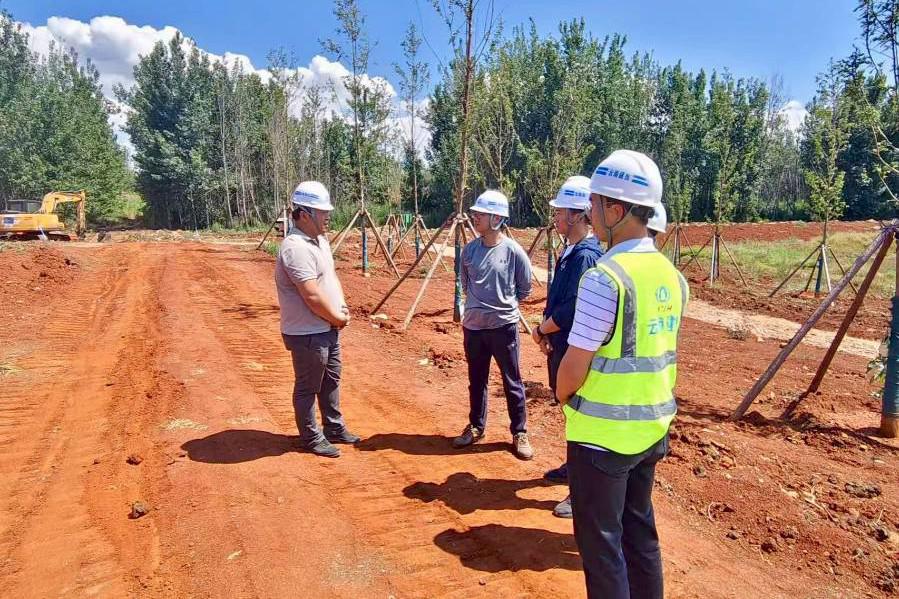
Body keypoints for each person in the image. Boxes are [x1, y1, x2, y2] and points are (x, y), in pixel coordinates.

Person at [555, 150, 689, 599]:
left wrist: (562, 393)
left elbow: (575, 365)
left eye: (593, 204)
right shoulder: (672, 276)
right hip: (650, 431)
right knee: (639, 535)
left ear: (615, 210)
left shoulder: (604, 278)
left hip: (601, 438)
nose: (589, 213)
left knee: (602, 548)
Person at [530, 176, 603, 518]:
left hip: (576, 350)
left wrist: (542, 329)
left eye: (560, 212)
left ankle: (581, 491)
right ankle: (574, 468)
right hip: (561, 343)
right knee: (570, 414)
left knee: (581, 418)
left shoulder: (585, 256)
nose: (556, 217)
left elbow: (573, 308)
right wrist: (548, 333)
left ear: (577, 215)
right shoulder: (571, 251)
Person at [275, 181, 360, 458]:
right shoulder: (295, 248)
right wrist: (336, 317)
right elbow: (311, 295)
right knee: (308, 386)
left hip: (327, 326)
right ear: (303, 215)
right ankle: (311, 437)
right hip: (307, 332)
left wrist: (340, 309)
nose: (328, 216)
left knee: (331, 379)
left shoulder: (320, 241)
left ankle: (333, 427)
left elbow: (329, 279)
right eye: (322, 212)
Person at [453, 189, 535, 460]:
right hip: (474, 328)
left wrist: (503, 305)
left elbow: (524, 288)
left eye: (481, 214)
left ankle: (519, 432)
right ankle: (476, 426)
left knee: (512, 381)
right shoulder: (469, 251)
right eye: (475, 213)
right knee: (476, 380)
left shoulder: (513, 252)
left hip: (504, 327)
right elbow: (466, 284)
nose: (475, 217)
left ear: (497, 219)